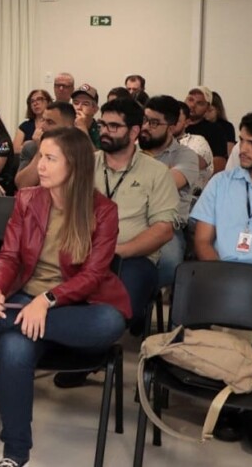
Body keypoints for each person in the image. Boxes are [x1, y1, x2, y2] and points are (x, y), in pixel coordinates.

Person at [0, 127, 132, 467]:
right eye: (39, 158)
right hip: (27, 308)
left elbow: (94, 275)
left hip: (79, 311)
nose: (41, 166)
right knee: (15, 348)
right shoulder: (27, 199)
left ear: (75, 165)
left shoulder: (104, 210)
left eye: (50, 159)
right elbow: (8, 255)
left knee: (110, 322)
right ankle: (15, 454)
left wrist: (46, 300)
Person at [190, 110, 252, 452]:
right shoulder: (222, 183)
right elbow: (201, 241)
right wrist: (225, 280)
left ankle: (248, 408)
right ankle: (239, 406)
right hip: (221, 278)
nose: (243, 148)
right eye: (242, 140)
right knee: (223, 320)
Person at [92, 97, 177, 338]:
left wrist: (119, 251)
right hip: (85, 252)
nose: (105, 132)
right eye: (102, 125)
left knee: (117, 308)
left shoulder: (156, 172)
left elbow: (163, 230)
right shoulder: (86, 165)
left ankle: (94, 349)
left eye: (113, 126)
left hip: (132, 258)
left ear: (134, 132)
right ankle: (84, 351)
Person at [140, 96, 199, 287]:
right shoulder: (131, 150)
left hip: (168, 226)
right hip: (131, 220)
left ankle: (144, 299)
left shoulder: (186, 156)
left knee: (169, 263)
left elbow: (167, 184)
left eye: (154, 122)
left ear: (171, 127)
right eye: (144, 120)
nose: (146, 127)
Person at [15, 102, 77, 190]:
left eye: (50, 122)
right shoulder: (31, 148)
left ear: (69, 127)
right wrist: (40, 150)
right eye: (43, 120)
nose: (42, 127)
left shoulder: (80, 151)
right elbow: (23, 185)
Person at [184, 86, 228, 174]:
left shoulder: (215, 130)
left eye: (199, 103)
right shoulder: (173, 125)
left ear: (208, 108)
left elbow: (220, 162)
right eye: (190, 100)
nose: (192, 105)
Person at [174, 101, 214, 190]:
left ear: (187, 122)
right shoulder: (154, 142)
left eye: (176, 121)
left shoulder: (197, 141)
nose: (171, 124)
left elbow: (192, 164)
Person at [205, 91, 237, 156]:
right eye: (204, 110)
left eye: (210, 110)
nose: (206, 114)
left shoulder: (227, 126)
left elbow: (230, 153)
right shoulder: (199, 125)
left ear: (218, 110)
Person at [71, 84, 102, 149]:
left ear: (95, 109)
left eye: (85, 104)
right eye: (76, 103)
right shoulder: (66, 127)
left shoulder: (101, 132)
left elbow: (98, 158)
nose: (79, 107)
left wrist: (83, 129)